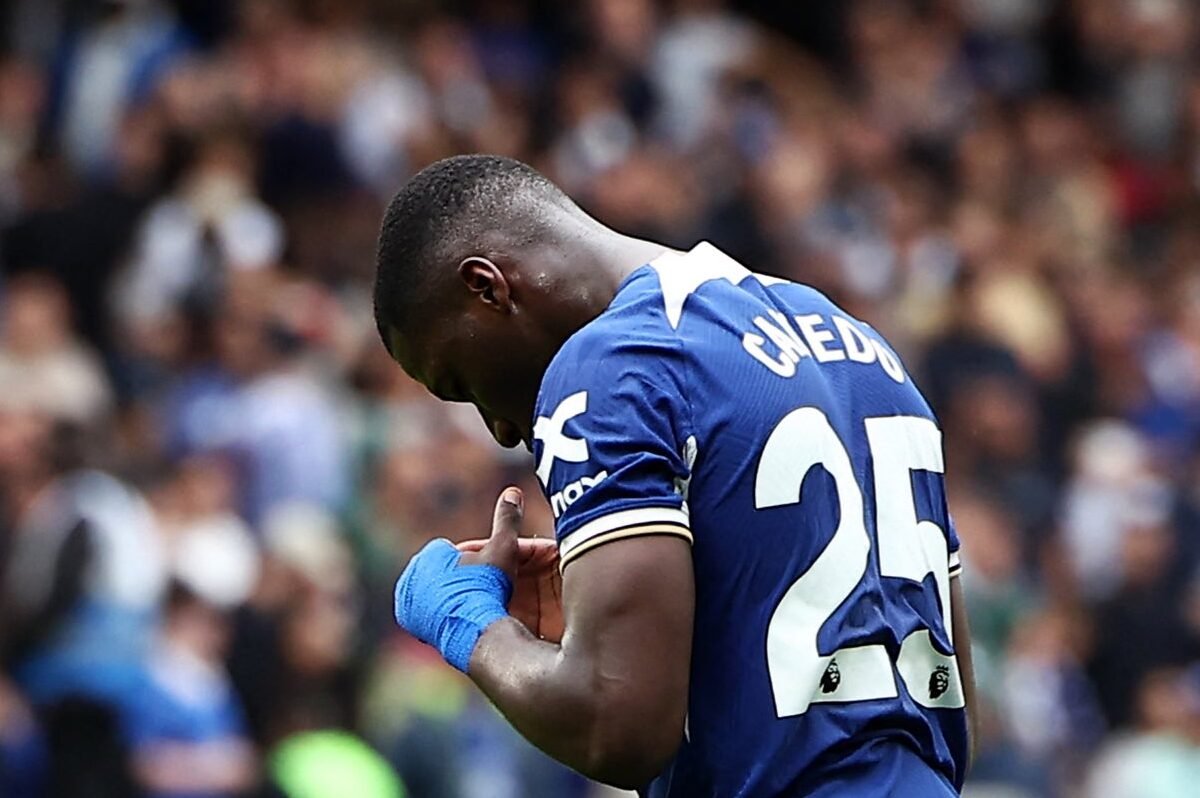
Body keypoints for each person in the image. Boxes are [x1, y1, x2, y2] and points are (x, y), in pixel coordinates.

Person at [374, 154, 977, 797]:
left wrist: (466, 621)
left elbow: (617, 728)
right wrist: (652, 619)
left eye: (460, 383)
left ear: (488, 286)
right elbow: (953, 705)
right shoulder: (863, 347)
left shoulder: (613, 361)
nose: (496, 428)